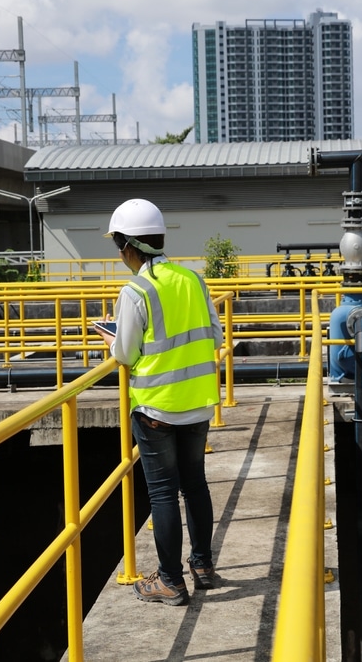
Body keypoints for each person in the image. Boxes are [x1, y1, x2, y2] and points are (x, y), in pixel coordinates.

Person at [94, 198, 224, 607]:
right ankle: (201, 565)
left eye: (118, 245)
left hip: (156, 410)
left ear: (130, 246)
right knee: (195, 485)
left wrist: (111, 341)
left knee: (165, 494)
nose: (119, 254)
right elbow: (216, 338)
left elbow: (126, 355)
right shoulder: (193, 280)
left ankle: (169, 580)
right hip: (199, 402)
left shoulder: (136, 291)